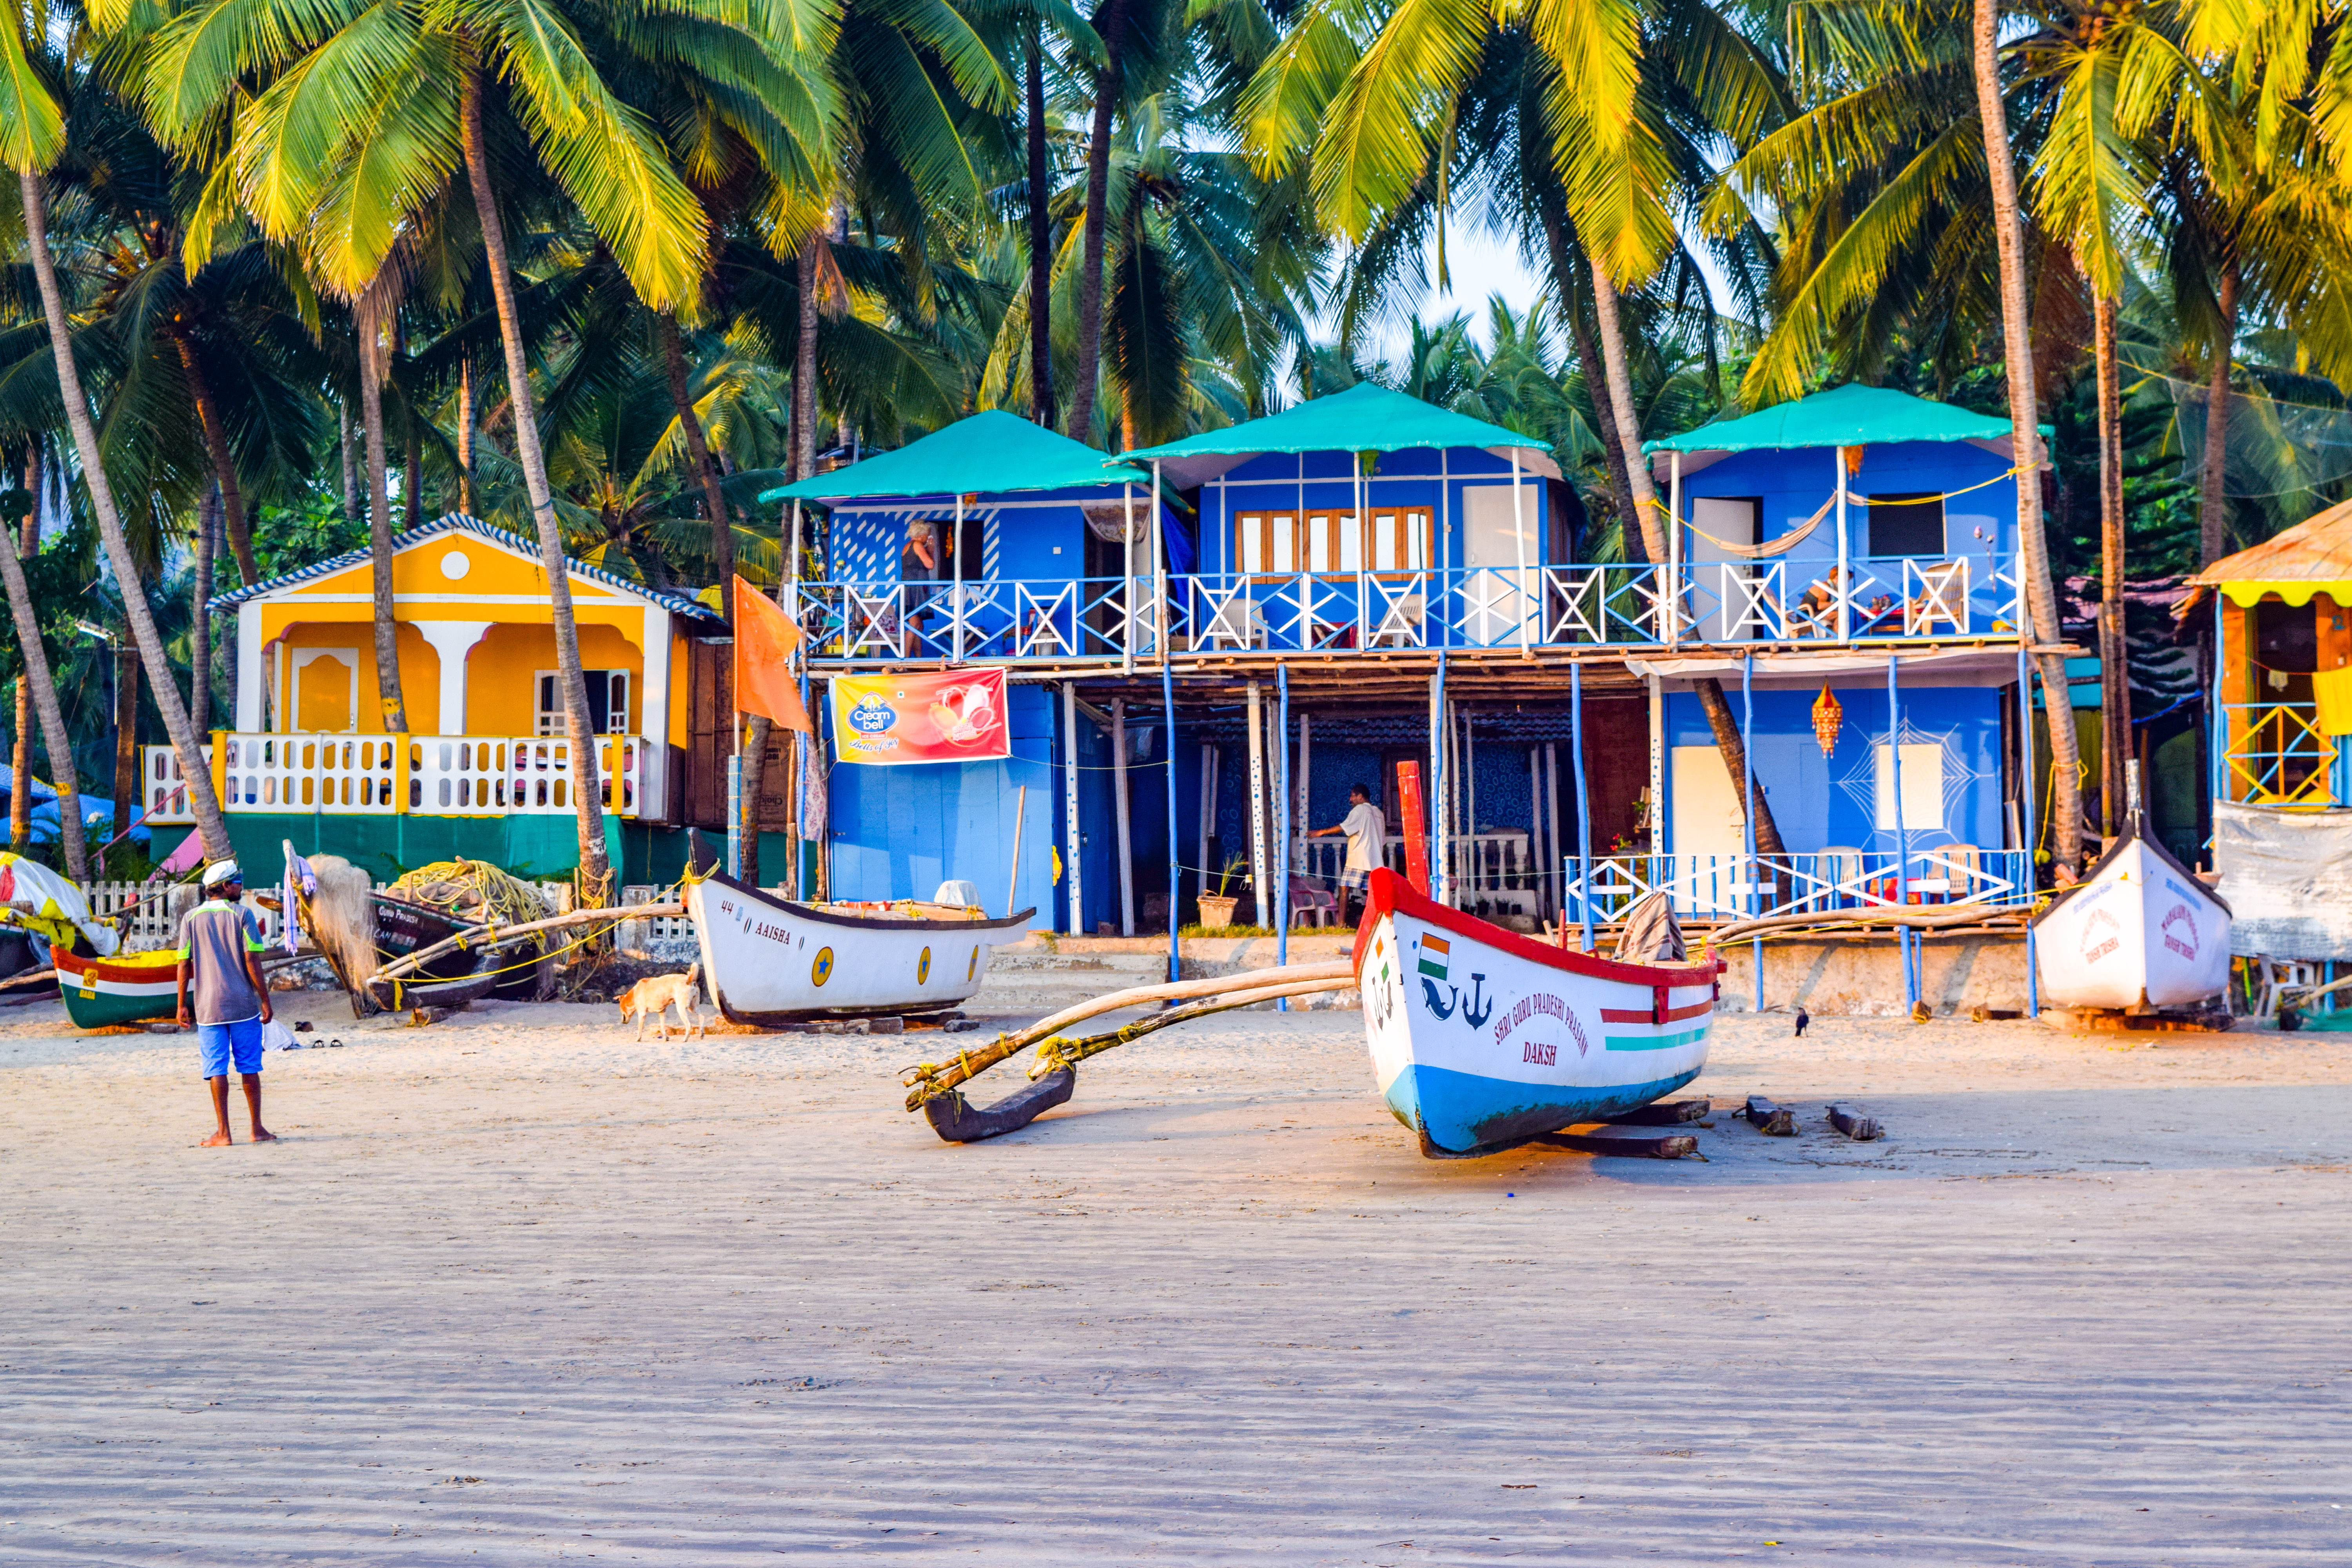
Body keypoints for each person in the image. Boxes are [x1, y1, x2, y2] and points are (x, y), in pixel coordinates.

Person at [175, 860, 275, 1147]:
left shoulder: (190, 919)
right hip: (242, 1004)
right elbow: (252, 959)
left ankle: (224, 1133)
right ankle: (256, 1129)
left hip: (207, 1007)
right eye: (238, 881)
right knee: (249, 1067)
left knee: (216, 1068)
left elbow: (184, 963)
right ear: (226, 886)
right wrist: (265, 999)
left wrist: (182, 1004)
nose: (241, 886)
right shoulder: (243, 915)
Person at [1309, 783, 1388, 924]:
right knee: (1372, 894)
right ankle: (1374, 923)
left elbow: (1345, 827)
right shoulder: (1379, 813)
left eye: (1353, 796)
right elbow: (1383, 841)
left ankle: (1341, 924)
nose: (1351, 800)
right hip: (1375, 861)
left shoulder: (1360, 810)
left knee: (1344, 889)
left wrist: (1322, 832)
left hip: (1359, 858)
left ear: (1360, 796)